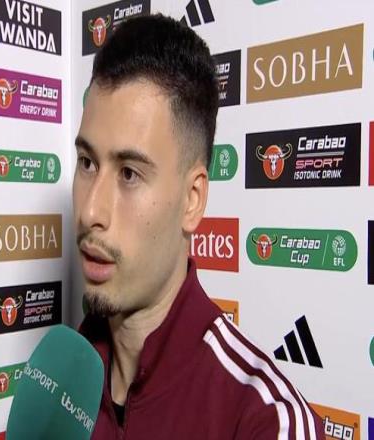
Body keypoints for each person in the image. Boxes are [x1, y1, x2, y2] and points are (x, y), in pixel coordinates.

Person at [73, 13, 325, 439]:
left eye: (129, 173)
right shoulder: (61, 382)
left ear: (192, 200)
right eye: (86, 162)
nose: (90, 211)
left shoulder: (265, 422)